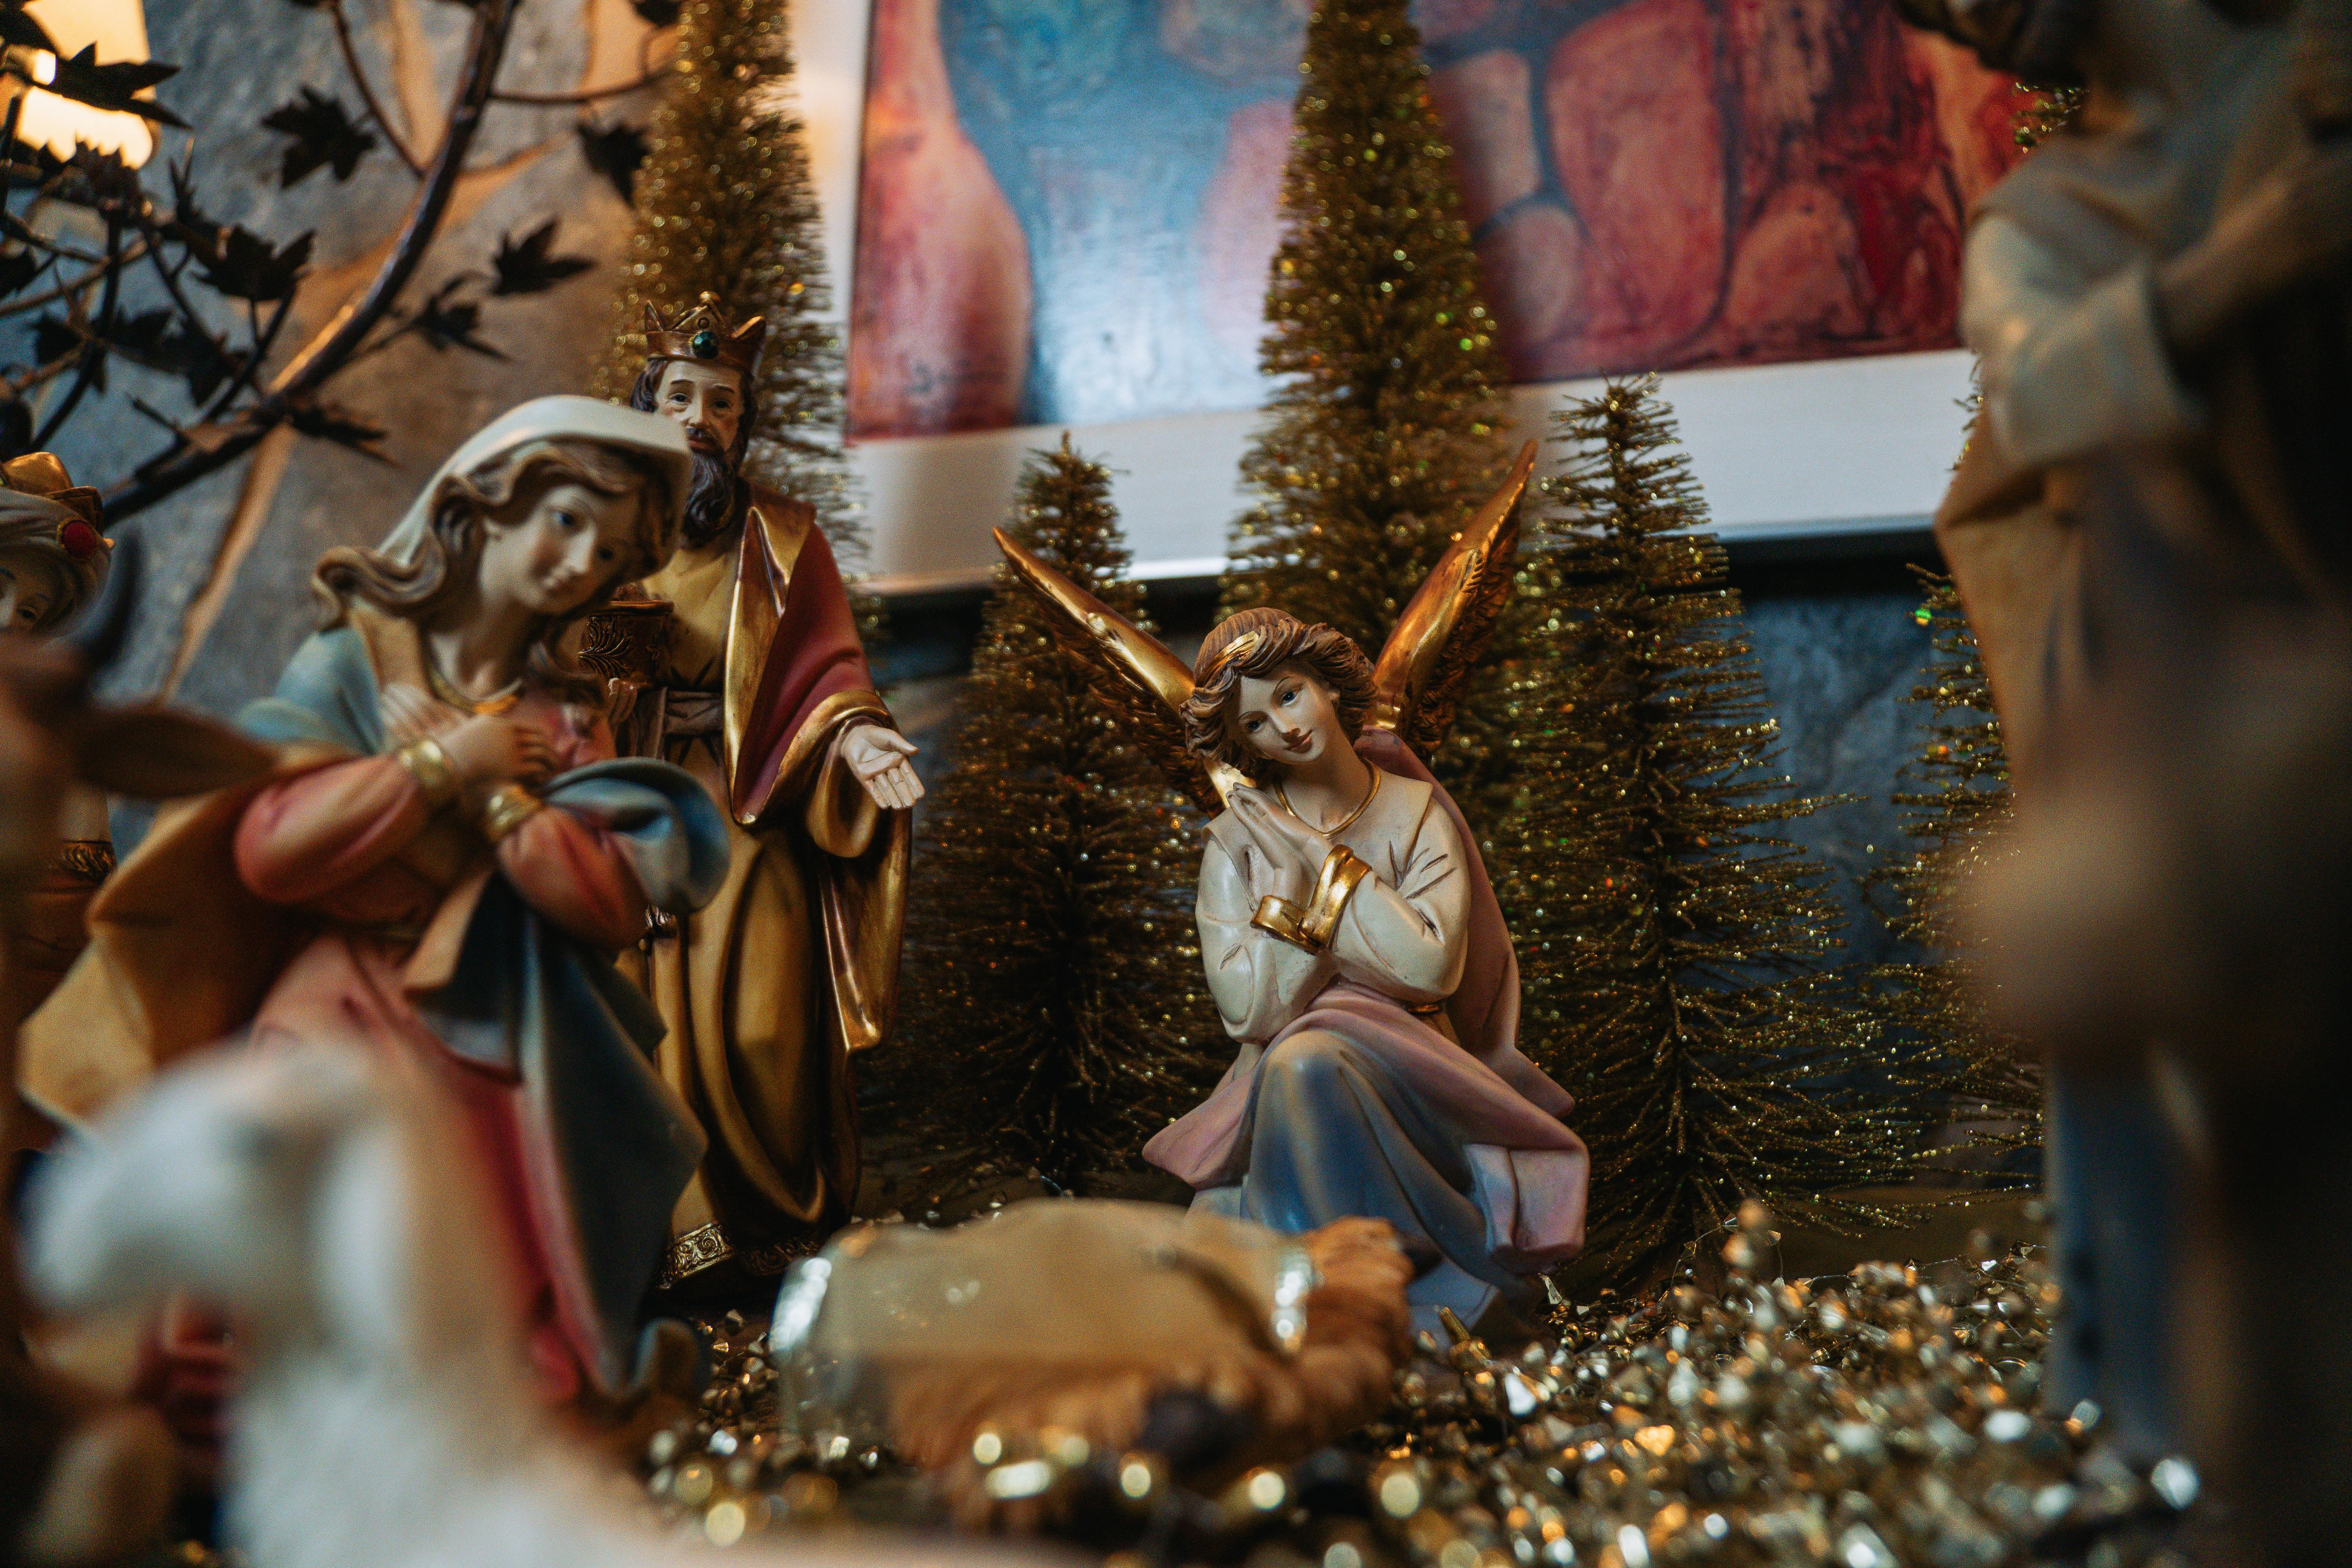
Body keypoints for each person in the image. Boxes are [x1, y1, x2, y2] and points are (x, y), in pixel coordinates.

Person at [19, 397, 727, 1409]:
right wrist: (438, 767)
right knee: (302, 1194)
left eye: (610, 553)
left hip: (496, 1018)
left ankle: (487, 1393)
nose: (580, 564)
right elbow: (271, 855)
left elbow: (602, 904)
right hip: (339, 1000)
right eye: (566, 520)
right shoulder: (352, 663)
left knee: (506, 1250)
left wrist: (497, 795)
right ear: (483, 505)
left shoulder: (568, 717)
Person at [1143, 608, 1588, 1337]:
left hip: (1422, 1071)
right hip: (1284, 1073)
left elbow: (1429, 969)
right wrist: (1286, 895)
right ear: (1240, 743)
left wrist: (1322, 866)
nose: (1284, 728)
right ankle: (1342, 1287)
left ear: (1327, 686)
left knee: (1304, 1064)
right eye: (1255, 724)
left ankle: (1378, 1289)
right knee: (1301, 1063)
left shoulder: (1416, 814)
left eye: (1289, 694)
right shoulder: (1234, 845)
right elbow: (1250, 1014)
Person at [615, 297, 921, 1291]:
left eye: (722, 403)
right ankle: (659, 1240)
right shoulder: (597, 530)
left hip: (755, 801)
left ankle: (771, 1231)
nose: (699, 420)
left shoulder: (783, 539)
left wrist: (862, 734)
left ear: (743, 422)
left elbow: (834, 670)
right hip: (626, 801)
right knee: (629, 1021)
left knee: (763, 1029)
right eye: (680, 398)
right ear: (644, 406)